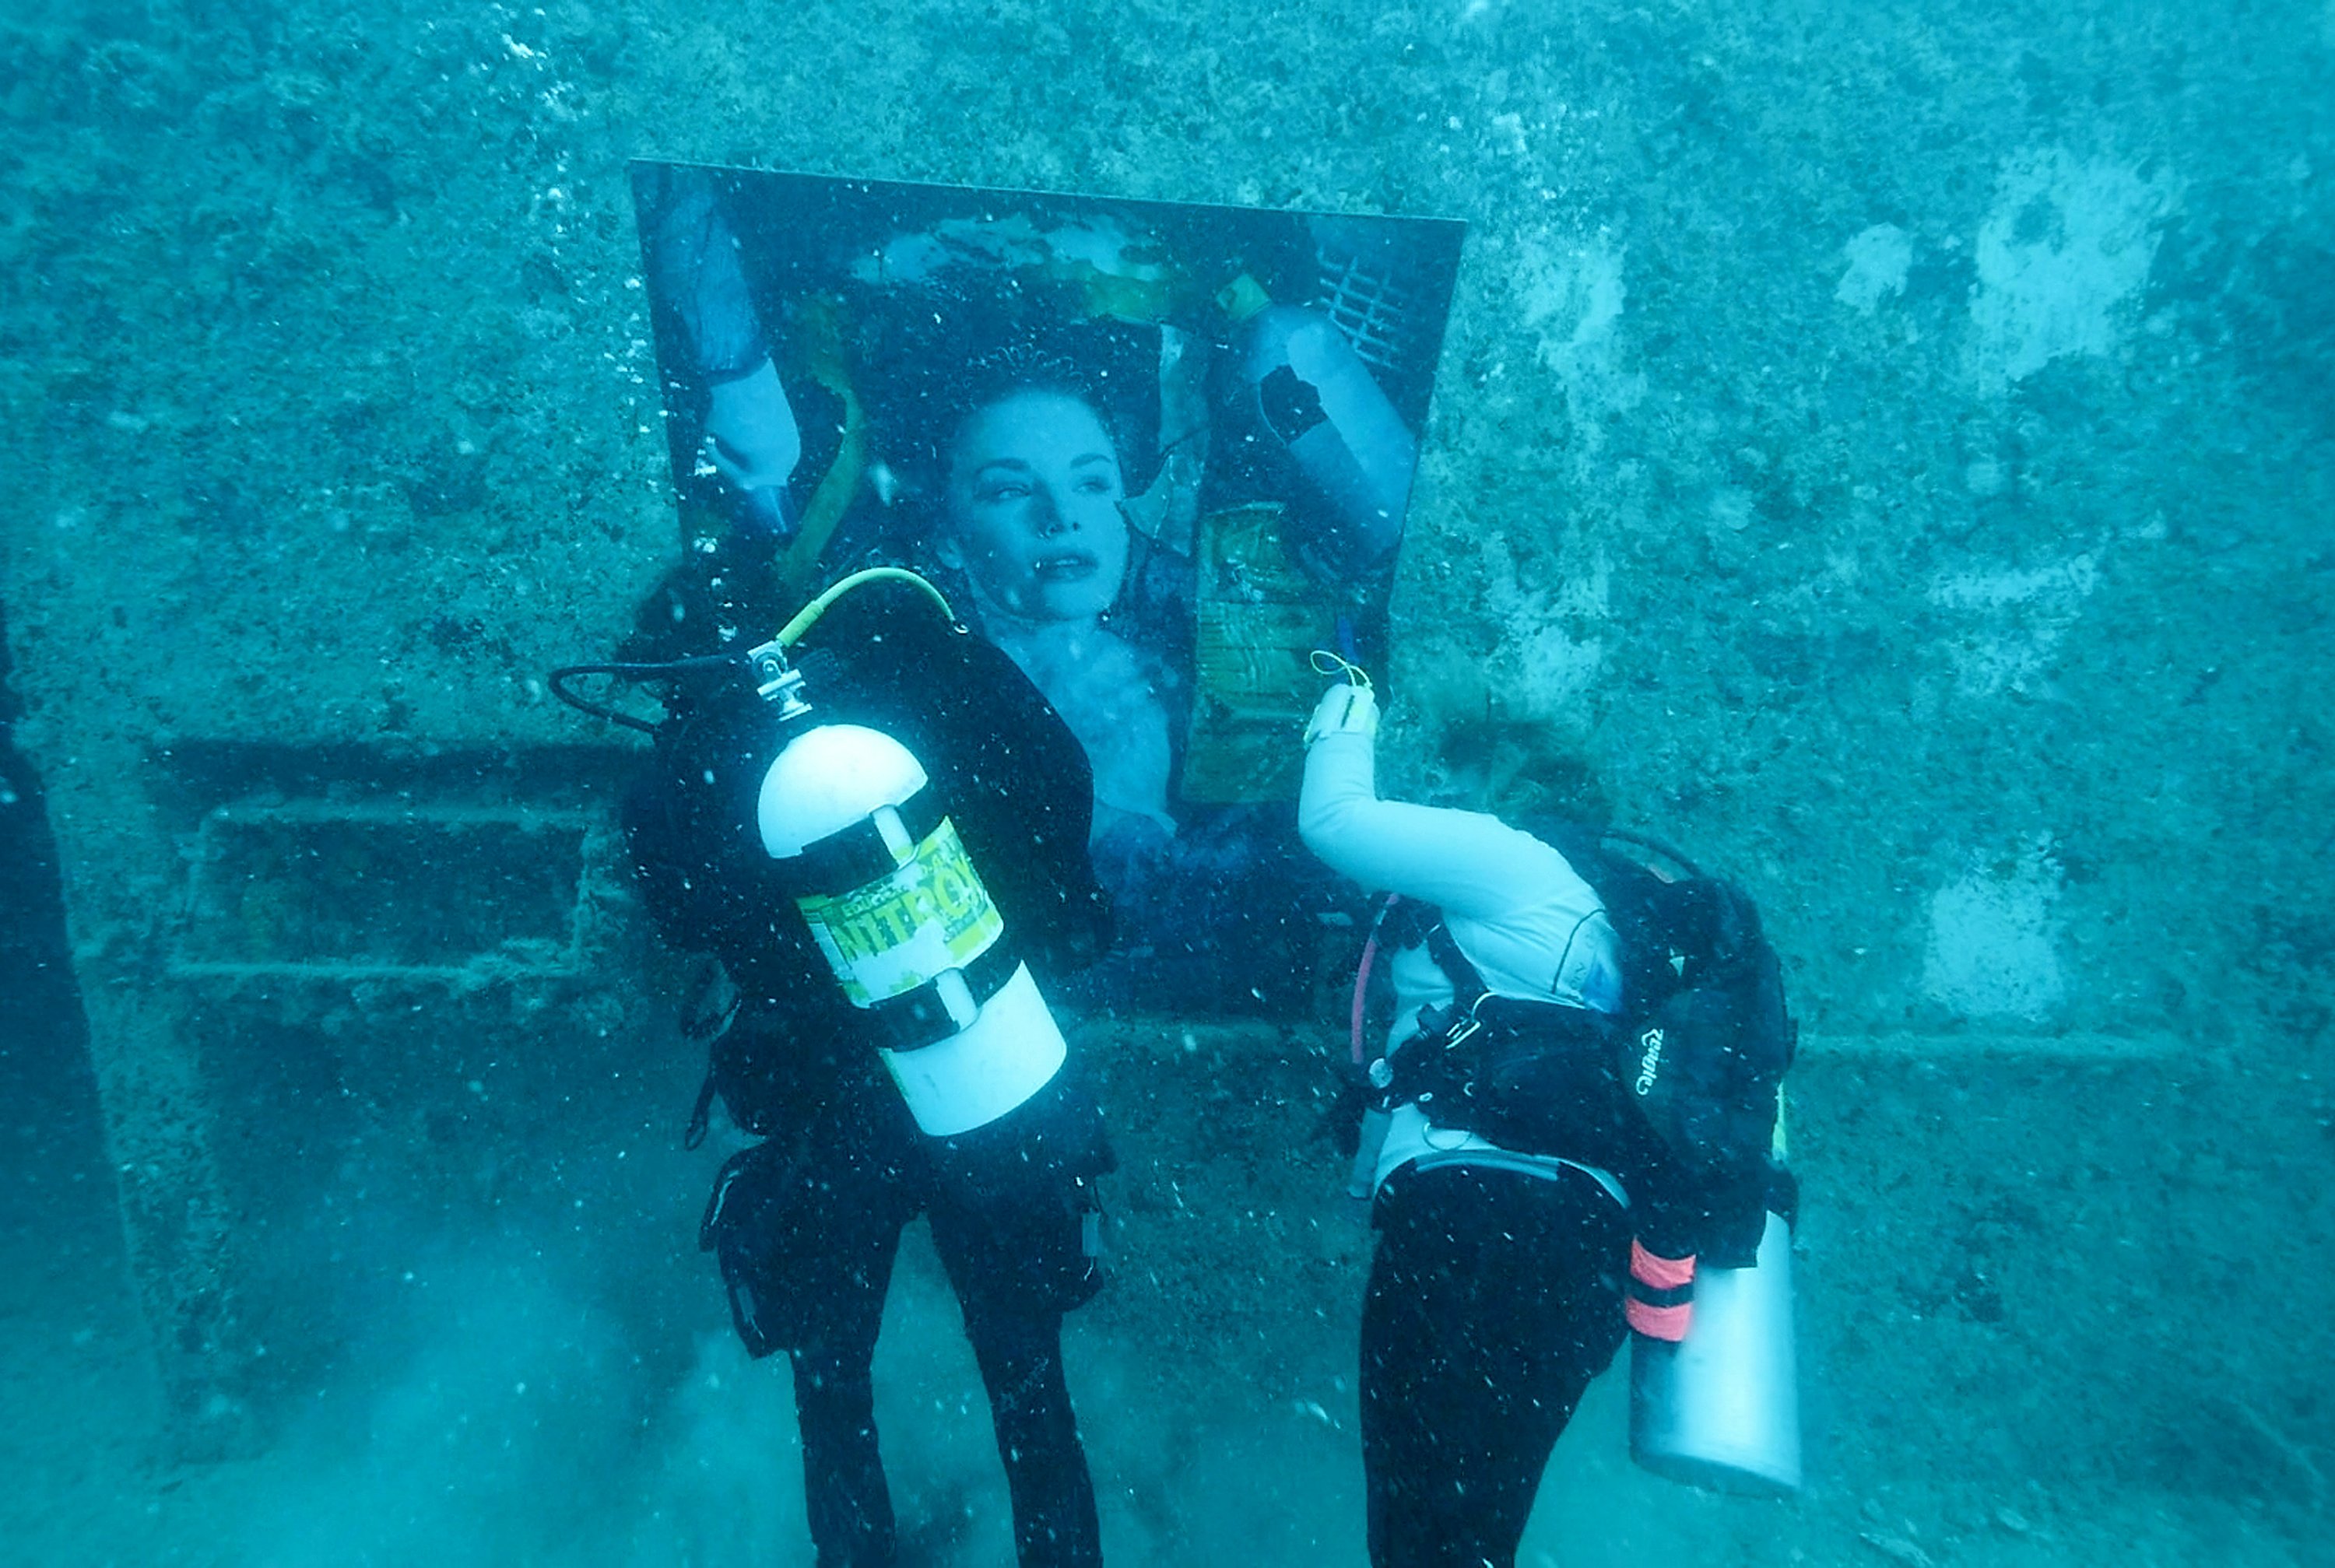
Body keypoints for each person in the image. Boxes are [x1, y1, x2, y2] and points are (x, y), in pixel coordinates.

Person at [616, 577, 1115, 1568]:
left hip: (830, 1108)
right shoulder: (929, 674)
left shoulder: (695, 749)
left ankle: (856, 1553)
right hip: (988, 1079)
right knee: (1027, 1372)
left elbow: (681, 911)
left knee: (830, 1374)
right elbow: (1062, 784)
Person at [1294, 669, 1717, 1568]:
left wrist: (1346, 707)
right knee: (1481, 1525)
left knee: (1410, 1515)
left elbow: (1333, 821)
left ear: (1507, 788)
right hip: (1586, 1244)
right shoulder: (1616, 910)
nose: (1442, 805)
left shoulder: (1512, 859)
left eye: (1456, 783)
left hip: (1470, 1216)